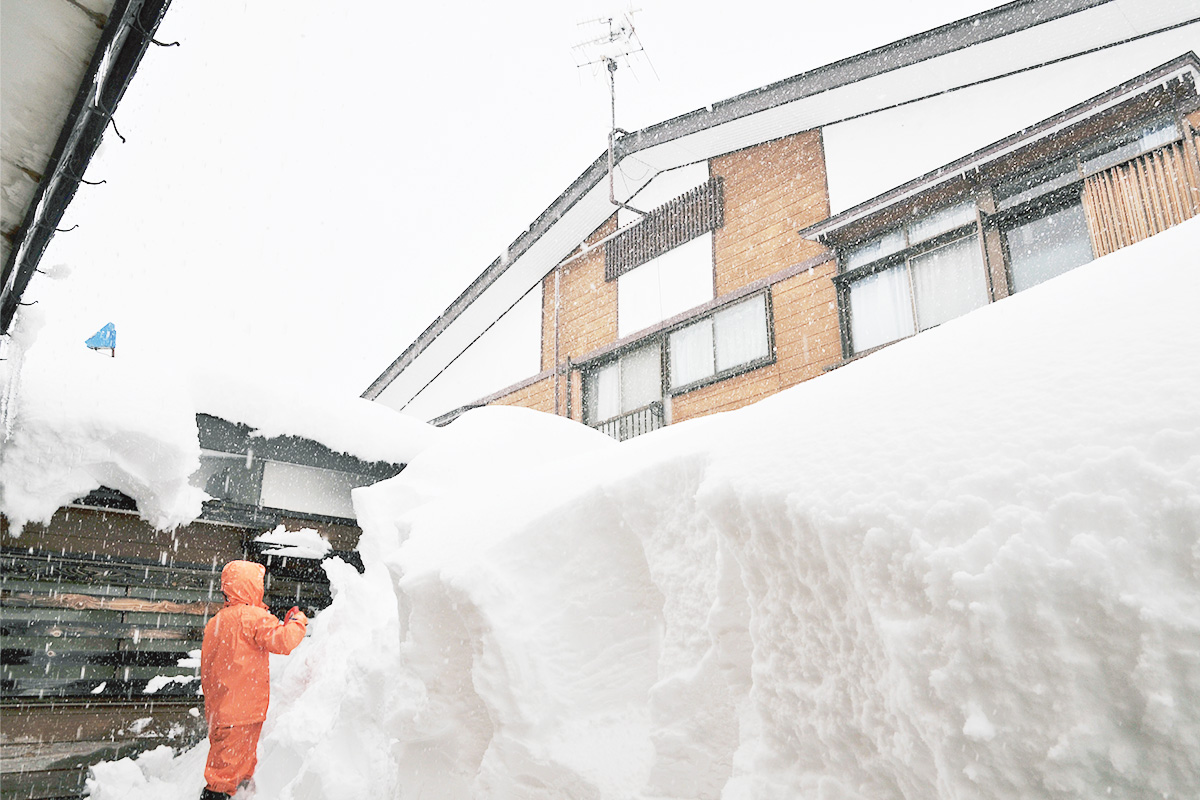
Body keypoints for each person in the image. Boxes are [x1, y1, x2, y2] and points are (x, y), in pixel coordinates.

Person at [199, 560, 308, 800]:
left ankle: (241, 794)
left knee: (234, 765)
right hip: (243, 709)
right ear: (251, 586)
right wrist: (298, 621)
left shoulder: (216, 621)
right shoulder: (254, 617)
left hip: (222, 708)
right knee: (223, 777)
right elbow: (283, 642)